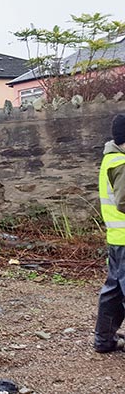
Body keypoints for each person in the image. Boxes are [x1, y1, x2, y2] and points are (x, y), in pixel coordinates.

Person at [95, 114, 125, 352]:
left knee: (113, 293)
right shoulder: (121, 163)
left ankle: (104, 340)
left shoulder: (111, 159)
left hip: (116, 240)